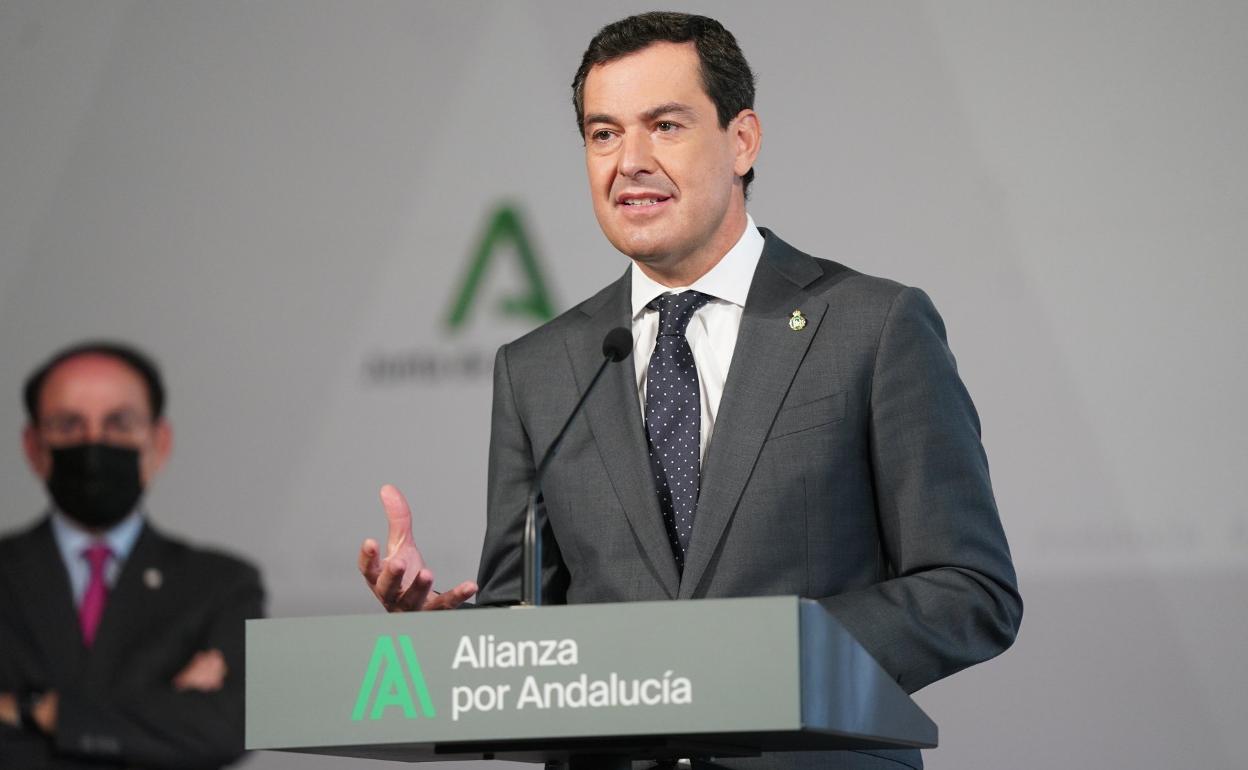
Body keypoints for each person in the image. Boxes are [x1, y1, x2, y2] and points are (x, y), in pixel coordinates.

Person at [358, 12, 1022, 769]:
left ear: (742, 141)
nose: (629, 161)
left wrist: (769, 661)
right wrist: (443, 636)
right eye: (603, 134)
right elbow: (528, 623)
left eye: (665, 126)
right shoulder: (539, 369)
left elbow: (970, 590)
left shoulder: (871, 327)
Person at [0, 341, 264, 769]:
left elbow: (229, 725)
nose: (93, 443)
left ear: (159, 442)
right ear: (33, 447)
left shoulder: (221, 584)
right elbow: (190, 732)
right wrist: (160, 715)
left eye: (119, 423)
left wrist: (39, 711)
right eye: (68, 425)